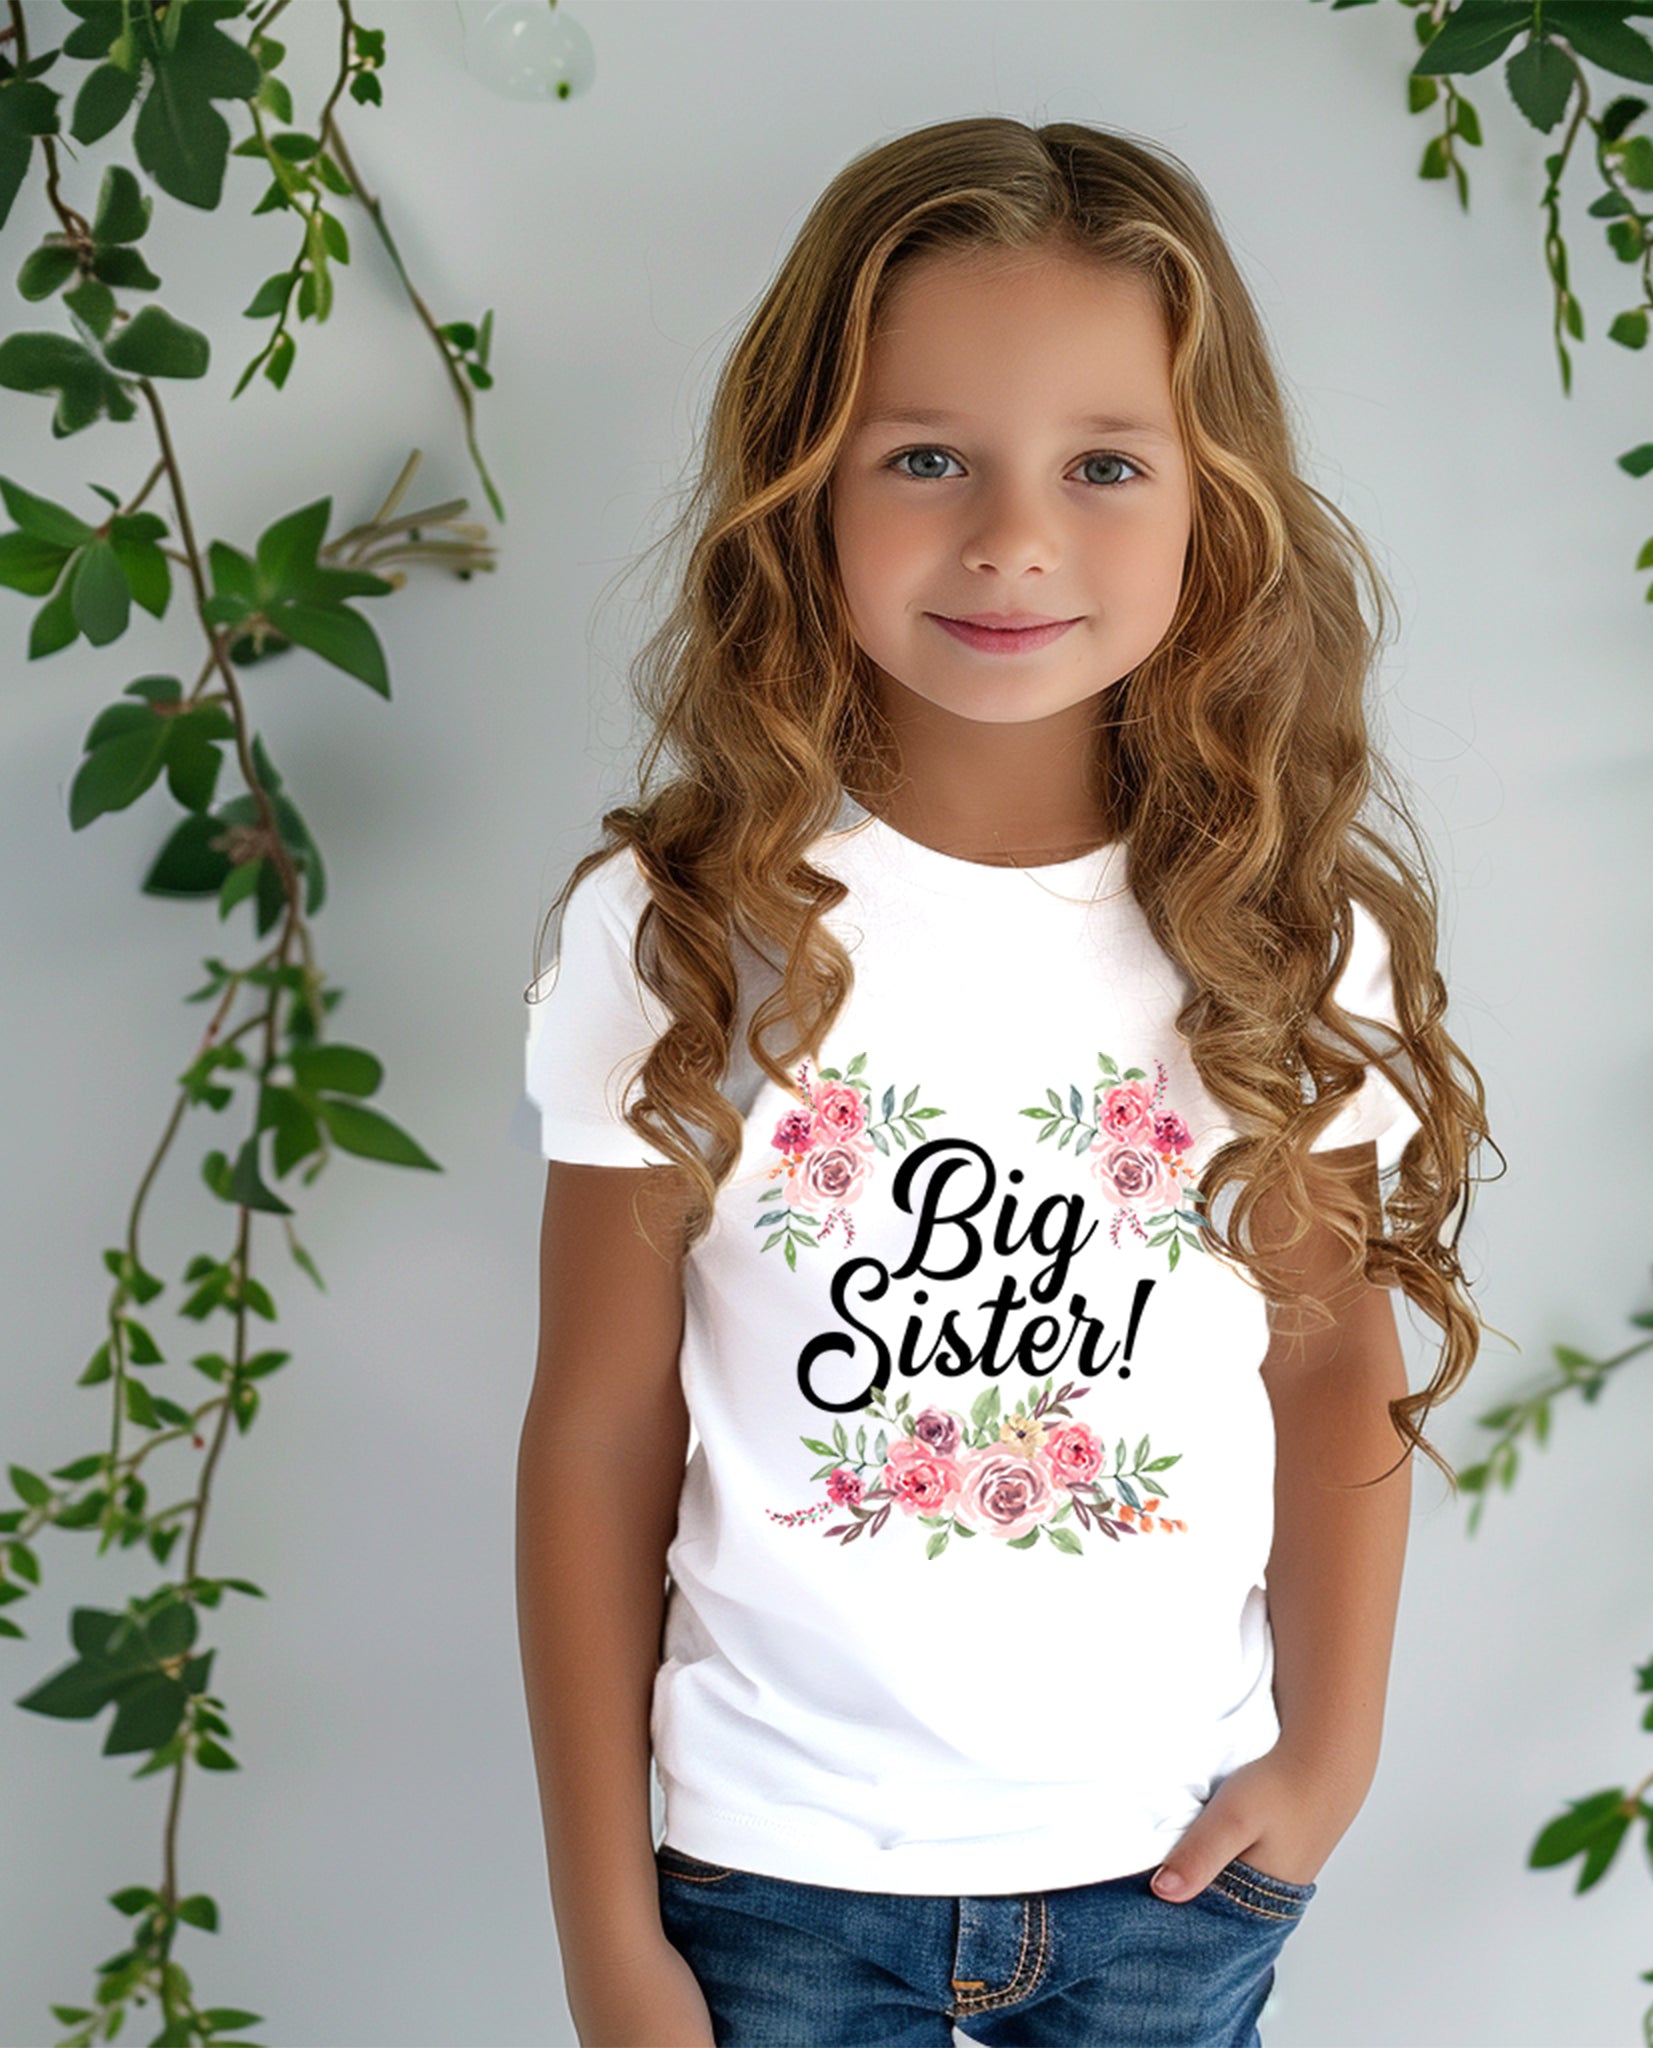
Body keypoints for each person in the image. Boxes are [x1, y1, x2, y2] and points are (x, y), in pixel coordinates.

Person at [516, 115, 1491, 2048]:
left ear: (1217, 505)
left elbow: (1326, 1366)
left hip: (1168, 1878)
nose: (1014, 535)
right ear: (804, 488)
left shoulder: (1286, 931)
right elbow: (599, 1433)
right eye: (927, 457)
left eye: (1105, 464)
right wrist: (607, 1940)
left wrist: (1332, 1760)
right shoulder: (683, 928)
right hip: (770, 1884)